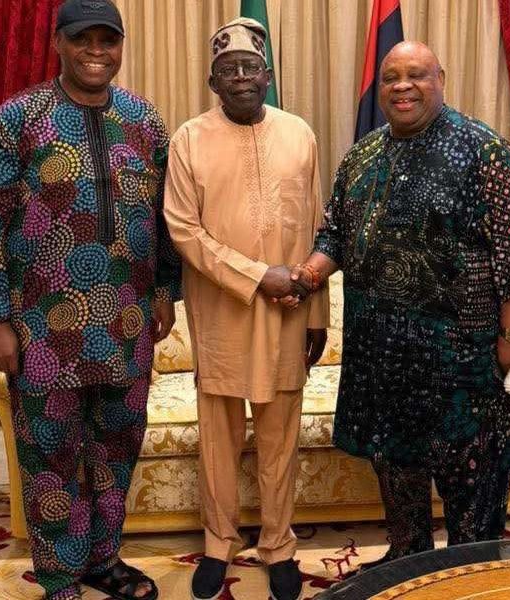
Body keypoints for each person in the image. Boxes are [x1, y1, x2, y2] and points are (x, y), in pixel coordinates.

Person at [284, 41, 510, 566]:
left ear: (440, 78)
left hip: (464, 366)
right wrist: (308, 274)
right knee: (396, 470)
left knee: (474, 480)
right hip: (382, 361)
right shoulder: (363, 155)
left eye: (416, 75)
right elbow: (336, 232)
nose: (402, 85)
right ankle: (408, 561)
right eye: (391, 76)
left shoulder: (485, 152)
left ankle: (470, 573)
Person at [0, 1, 180, 598]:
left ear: (120, 47)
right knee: (51, 456)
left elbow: (166, 218)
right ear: (59, 43)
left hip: (128, 324)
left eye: (109, 41)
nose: (96, 51)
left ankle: (102, 560)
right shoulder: (16, 119)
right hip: (41, 328)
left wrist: (165, 288)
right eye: (84, 39)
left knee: (115, 449)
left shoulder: (145, 120)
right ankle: (59, 575)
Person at [163, 17, 330, 600]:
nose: (240, 78)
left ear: (268, 74)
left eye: (250, 68)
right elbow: (183, 231)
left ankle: (279, 544)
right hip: (223, 313)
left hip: (288, 314)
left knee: (281, 437)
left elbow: (316, 228)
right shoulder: (188, 140)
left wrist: (318, 316)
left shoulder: (299, 134)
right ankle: (218, 543)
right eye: (227, 70)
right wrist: (258, 277)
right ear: (212, 80)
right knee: (219, 437)